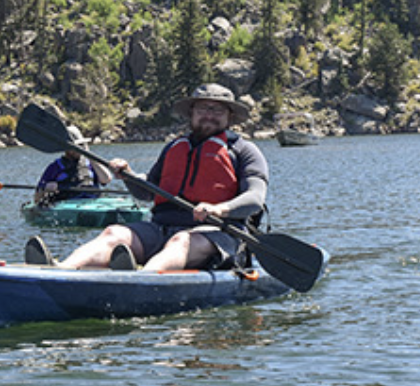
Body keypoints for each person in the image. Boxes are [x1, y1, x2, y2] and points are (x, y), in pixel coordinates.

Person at [25, 84, 268, 271]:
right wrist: (129, 176)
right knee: (113, 233)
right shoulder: (174, 147)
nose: (209, 115)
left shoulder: (245, 151)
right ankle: (62, 269)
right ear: (192, 113)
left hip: (217, 233)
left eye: (217, 110)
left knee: (181, 240)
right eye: (203, 108)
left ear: (229, 116)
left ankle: (143, 279)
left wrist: (220, 209)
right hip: (161, 228)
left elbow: (255, 198)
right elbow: (147, 192)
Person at [33, 125, 112, 204]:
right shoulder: (55, 167)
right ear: (66, 148)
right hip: (68, 205)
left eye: (81, 145)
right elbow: (36, 198)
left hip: (92, 203)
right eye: (76, 146)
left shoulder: (91, 163)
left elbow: (106, 179)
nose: (79, 149)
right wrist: (46, 189)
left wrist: (90, 156)